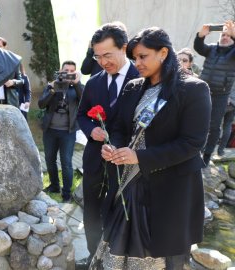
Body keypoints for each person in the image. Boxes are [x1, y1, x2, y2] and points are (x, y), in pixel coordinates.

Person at [95, 27, 210, 270]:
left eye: (143, 56)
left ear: (164, 53)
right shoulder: (134, 87)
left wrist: (139, 156)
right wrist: (112, 145)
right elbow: (119, 127)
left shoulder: (193, 89)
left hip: (171, 189)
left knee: (166, 258)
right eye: (134, 57)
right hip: (131, 185)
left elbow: (192, 143)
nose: (137, 63)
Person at [76, 22, 139, 265]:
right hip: (94, 157)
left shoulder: (141, 80)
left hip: (125, 160)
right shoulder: (94, 82)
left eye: (107, 55)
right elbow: (82, 115)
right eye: (97, 56)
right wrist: (92, 130)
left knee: (117, 209)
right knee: (91, 208)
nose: (102, 62)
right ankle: (93, 256)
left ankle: (115, 258)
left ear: (124, 48)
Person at [39, 60, 84, 203]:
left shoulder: (77, 87)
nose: (69, 73)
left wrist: (76, 83)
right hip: (50, 131)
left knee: (66, 163)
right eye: (66, 70)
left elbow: (84, 99)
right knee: (49, 160)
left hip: (67, 132)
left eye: (72, 71)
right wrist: (52, 89)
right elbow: (41, 104)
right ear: (60, 71)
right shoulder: (52, 85)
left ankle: (66, 193)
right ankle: (54, 186)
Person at [194, 21, 235, 165]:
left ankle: (207, 155)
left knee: (214, 126)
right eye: (223, 35)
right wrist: (200, 36)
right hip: (203, 91)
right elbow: (198, 48)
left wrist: (233, 34)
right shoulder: (211, 49)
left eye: (228, 36)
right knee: (197, 121)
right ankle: (195, 151)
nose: (225, 37)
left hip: (221, 95)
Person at [0, 36, 24, 106]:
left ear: (4, 47)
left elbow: (21, 81)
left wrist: (13, 82)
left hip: (10, 102)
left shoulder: (13, 61)